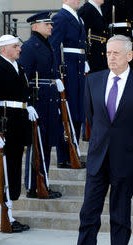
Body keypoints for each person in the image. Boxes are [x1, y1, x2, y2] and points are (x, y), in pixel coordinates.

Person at [60, 35, 133, 245]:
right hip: (98, 157)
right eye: (107, 53)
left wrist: (131, 144)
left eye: (116, 53)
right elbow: (92, 118)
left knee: (120, 213)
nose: (110, 57)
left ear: (129, 55)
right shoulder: (93, 80)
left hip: (126, 158)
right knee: (88, 212)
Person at [0, 34, 32, 233]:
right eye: (15, 46)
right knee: (1, 172)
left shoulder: (19, 67)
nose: (19, 49)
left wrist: (27, 107)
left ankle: (9, 214)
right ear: (3, 49)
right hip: (5, 124)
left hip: (18, 123)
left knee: (13, 170)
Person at [18, 11, 63, 199]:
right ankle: (32, 185)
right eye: (47, 24)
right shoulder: (30, 47)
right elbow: (24, 77)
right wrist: (27, 103)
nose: (51, 27)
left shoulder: (48, 44)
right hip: (38, 100)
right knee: (36, 143)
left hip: (50, 100)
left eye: (51, 24)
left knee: (46, 143)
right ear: (35, 26)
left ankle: (43, 181)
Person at [50, 0, 87, 169]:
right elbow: (54, 46)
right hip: (69, 70)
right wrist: (58, 73)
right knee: (67, 112)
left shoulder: (77, 17)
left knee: (78, 110)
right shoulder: (61, 17)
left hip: (78, 67)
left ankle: (75, 151)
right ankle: (64, 156)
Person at [78, 0, 108, 73]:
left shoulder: (99, 8)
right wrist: (84, 59)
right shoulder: (86, 10)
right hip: (93, 53)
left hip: (101, 50)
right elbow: (81, 35)